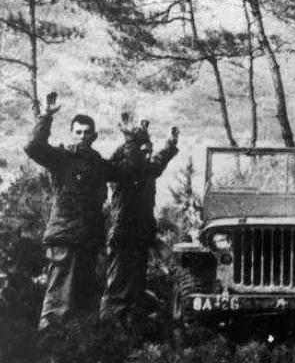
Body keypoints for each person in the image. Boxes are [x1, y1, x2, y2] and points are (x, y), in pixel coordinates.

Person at [24, 92, 125, 331]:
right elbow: (33, 147)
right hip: (65, 237)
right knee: (58, 300)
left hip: (88, 239)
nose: (82, 136)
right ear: (71, 133)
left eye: (86, 133)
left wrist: (131, 138)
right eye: (77, 132)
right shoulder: (61, 158)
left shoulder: (97, 163)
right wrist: (46, 116)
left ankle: (76, 344)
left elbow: (125, 172)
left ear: (94, 136)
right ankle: (49, 342)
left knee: (82, 298)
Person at [99, 114, 179, 329]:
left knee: (136, 284)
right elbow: (132, 162)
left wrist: (171, 144)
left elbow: (159, 161)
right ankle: (110, 327)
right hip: (123, 234)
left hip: (140, 235)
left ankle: (130, 326)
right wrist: (131, 138)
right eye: (143, 151)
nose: (147, 155)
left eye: (148, 151)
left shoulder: (146, 171)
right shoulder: (122, 170)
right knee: (118, 284)